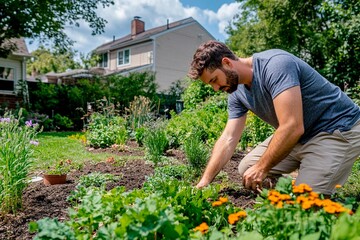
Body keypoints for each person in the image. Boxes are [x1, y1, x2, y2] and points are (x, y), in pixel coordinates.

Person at [188, 40, 360, 195]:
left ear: (226, 63)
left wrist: (262, 168)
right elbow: (228, 138)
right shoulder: (236, 92)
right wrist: (204, 181)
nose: (216, 88)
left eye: (214, 80)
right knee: (247, 168)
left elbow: (292, 126)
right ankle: (299, 182)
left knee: (305, 200)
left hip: (337, 129)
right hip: (301, 135)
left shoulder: (275, 65)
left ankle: (311, 182)